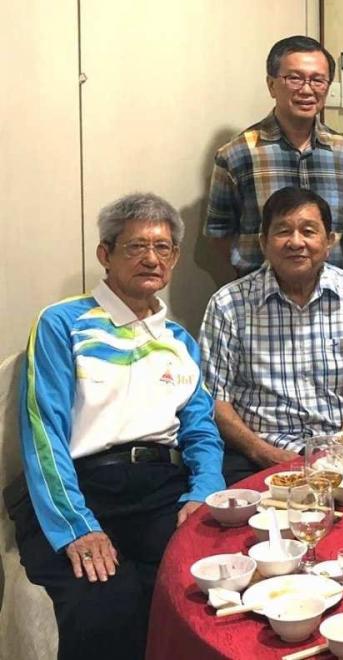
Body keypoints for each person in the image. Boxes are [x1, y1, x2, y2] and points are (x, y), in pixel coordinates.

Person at [7, 193, 225, 660]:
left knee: (206, 585)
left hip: (161, 489)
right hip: (81, 488)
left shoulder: (179, 340)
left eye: (163, 247)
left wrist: (204, 491)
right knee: (106, 600)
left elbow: (201, 431)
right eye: (136, 246)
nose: (152, 258)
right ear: (105, 254)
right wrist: (76, 527)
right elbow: (43, 432)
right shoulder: (62, 322)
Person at [200, 187, 343, 484]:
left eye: (308, 231)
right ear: (263, 242)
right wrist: (265, 454)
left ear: (329, 241)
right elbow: (215, 400)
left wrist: (340, 448)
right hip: (255, 457)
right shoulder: (228, 304)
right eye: (283, 231)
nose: (296, 242)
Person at [205, 35, 343, 277]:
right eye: (294, 78)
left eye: (318, 80)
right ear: (271, 85)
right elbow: (219, 231)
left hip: (335, 290)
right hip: (261, 291)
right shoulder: (237, 153)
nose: (307, 89)